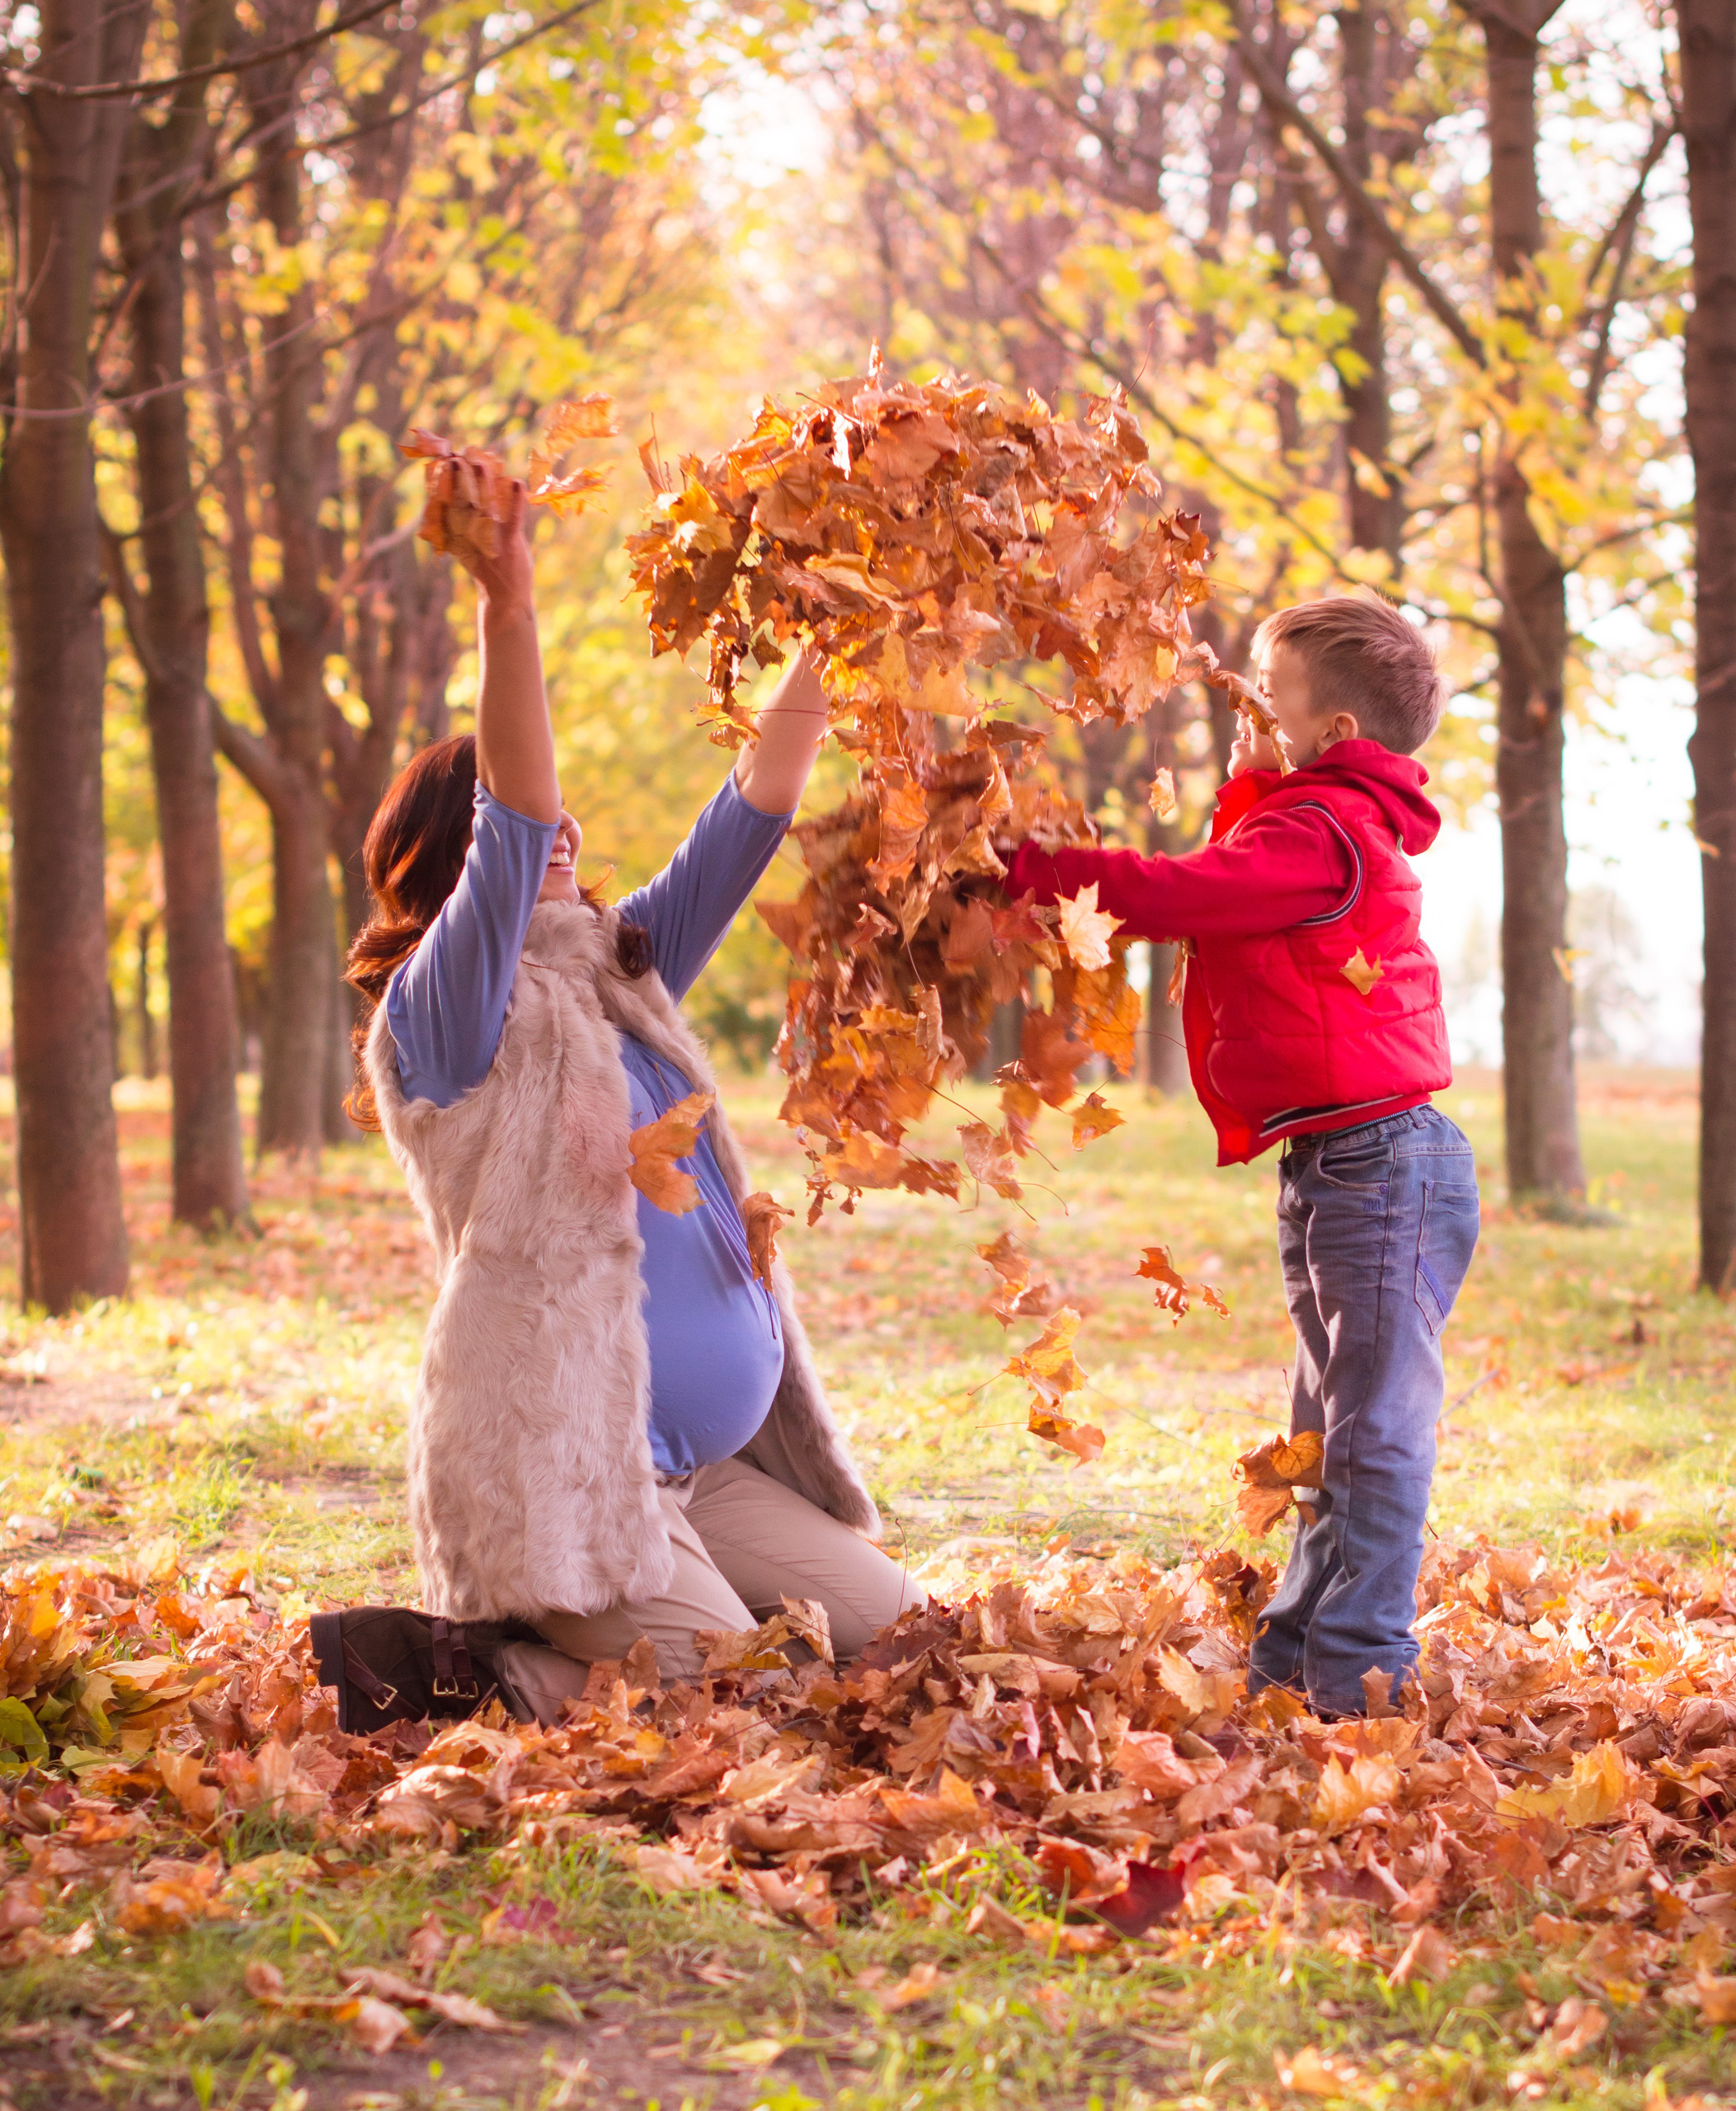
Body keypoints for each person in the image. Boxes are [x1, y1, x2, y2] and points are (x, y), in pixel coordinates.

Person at [345, 472, 918, 1719]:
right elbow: (519, 815)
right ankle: (478, 1672)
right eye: (513, 825)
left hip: (704, 1473)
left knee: (906, 1647)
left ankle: (627, 1629)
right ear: (453, 857)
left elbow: (752, 808)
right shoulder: (443, 1020)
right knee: (756, 1702)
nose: (565, 835)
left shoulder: (619, 970)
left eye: (568, 824)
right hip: (567, 1480)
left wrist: (839, 620)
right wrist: (510, 606)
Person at [1003, 593, 1478, 1718]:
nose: (1243, 711)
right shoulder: (1305, 817)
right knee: (1325, 1436)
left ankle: (1354, 1678)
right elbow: (1229, 867)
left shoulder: (1321, 832)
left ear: (1333, 738)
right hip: (1336, 1167)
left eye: (1267, 699)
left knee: (1372, 1434)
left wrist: (1039, 872)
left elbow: (1190, 894)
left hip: (1382, 1169)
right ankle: (1294, 1658)